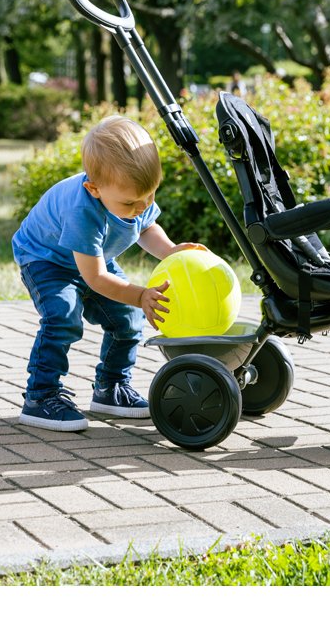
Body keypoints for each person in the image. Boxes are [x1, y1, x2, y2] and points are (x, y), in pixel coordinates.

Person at [12, 115, 205, 432]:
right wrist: (140, 295)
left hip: (93, 259)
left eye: (150, 195)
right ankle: (40, 397)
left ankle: (111, 387)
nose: (142, 206)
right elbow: (96, 279)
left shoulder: (134, 197)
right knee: (63, 316)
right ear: (94, 189)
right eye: (131, 202)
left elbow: (146, 228)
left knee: (128, 319)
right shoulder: (81, 210)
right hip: (47, 260)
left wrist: (170, 250)